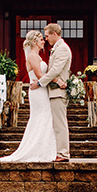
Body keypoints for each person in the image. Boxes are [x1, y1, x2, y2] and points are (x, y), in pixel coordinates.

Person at [0, 30, 56, 162]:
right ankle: (38, 150)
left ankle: (44, 149)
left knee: (44, 118)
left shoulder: (37, 56)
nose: (43, 41)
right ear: (34, 41)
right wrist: (56, 81)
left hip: (41, 89)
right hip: (38, 91)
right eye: (41, 39)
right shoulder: (32, 56)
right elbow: (39, 76)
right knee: (42, 117)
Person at [35, 23, 71, 162]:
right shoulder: (57, 48)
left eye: (48, 35)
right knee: (56, 123)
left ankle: (63, 154)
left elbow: (55, 69)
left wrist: (40, 82)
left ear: (55, 34)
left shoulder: (62, 49)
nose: (46, 39)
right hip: (54, 90)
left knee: (60, 123)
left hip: (58, 92)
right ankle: (57, 151)